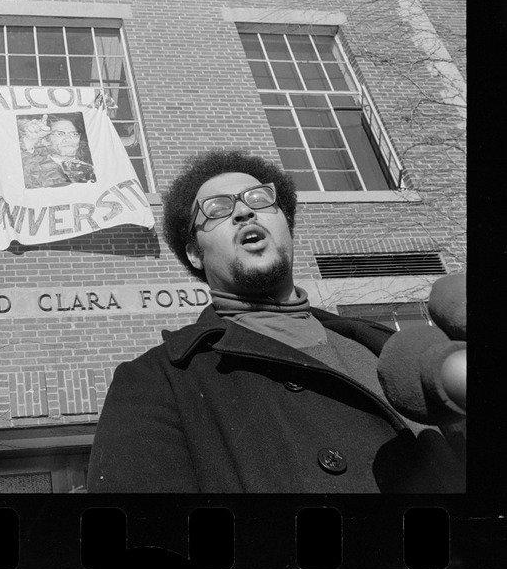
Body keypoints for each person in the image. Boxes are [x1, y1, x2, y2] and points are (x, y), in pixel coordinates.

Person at [87, 149, 465, 493]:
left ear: (286, 223)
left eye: (259, 199)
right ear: (195, 254)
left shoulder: (384, 349)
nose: (243, 211)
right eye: (217, 208)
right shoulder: (156, 380)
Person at [20, 116, 95, 189]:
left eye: (73, 134)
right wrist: (29, 141)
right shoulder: (33, 169)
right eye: (60, 134)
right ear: (45, 141)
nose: (68, 139)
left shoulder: (92, 168)